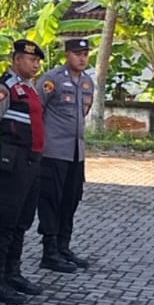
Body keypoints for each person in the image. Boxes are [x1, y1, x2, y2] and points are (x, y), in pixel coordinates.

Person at [0, 39, 47, 305]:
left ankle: (13, 273)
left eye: (37, 61)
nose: (35, 65)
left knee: (22, 221)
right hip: (13, 163)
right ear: (17, 59)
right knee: (5, 221)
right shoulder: (4, 88)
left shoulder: (29, 88)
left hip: (32, 162)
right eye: (31, 60)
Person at [36, 37, 96, 273]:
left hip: (76, 154)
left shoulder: (87, 83)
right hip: (53, 152)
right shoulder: (52, 80)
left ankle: (63, 246)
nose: (81, 58)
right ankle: (49, 251)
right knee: (51, 200)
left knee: (71, 199)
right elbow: (37, 109)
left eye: (85, 54)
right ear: (67, 55)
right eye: (76, 54)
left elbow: (85, 112)